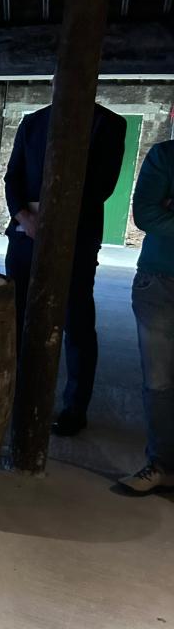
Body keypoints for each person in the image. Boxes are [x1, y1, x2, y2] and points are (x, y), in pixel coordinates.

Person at [4, 101, 126, 437]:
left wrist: (56, 220)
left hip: (76, 239)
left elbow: (102, 186)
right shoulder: (33, 123)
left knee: (77, 321)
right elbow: (12, 175)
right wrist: (24, 217)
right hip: (26, 236)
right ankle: (11, 392)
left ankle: (75, 407)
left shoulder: (108, 125)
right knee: (14, 317)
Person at [118, 140, 174, 494]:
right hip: (160, 282)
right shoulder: (165, 156)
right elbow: (147, 215)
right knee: (159, 381)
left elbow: (161, 215)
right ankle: (161, 464)